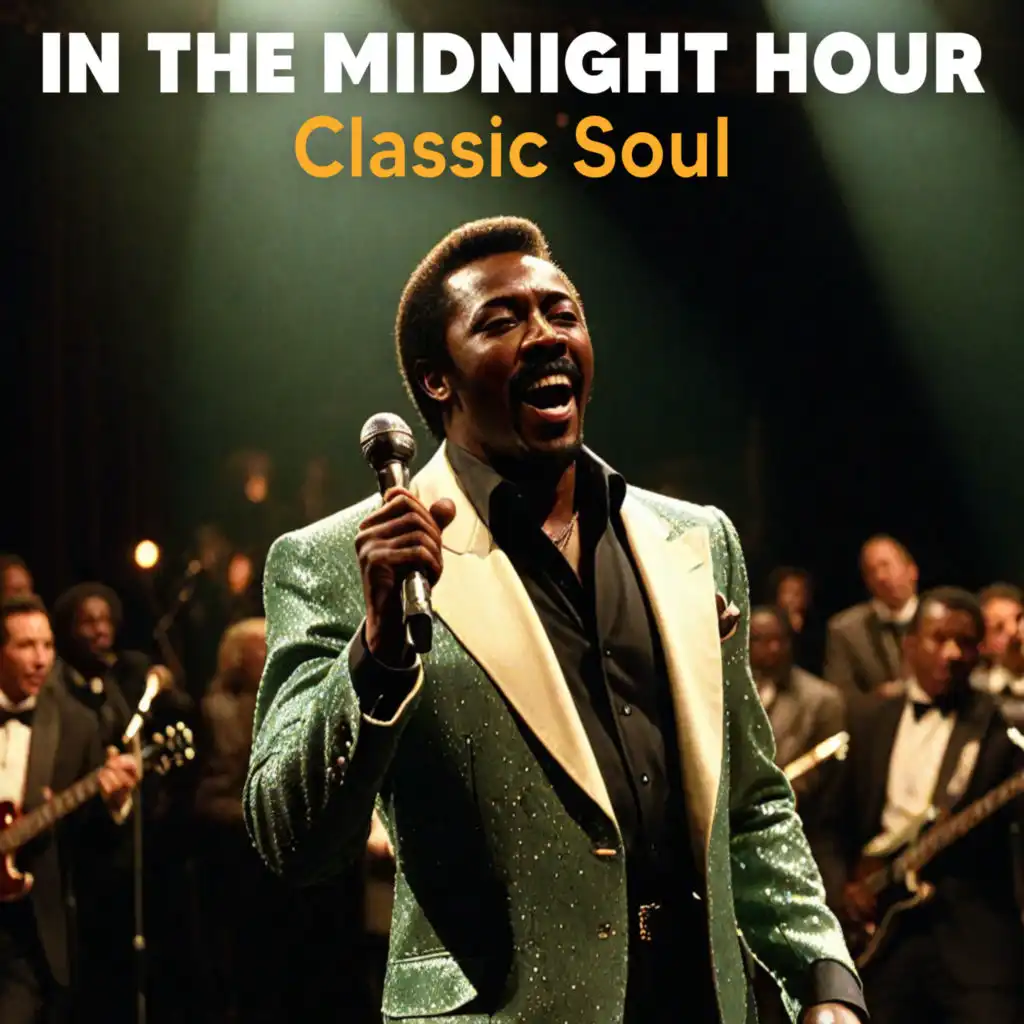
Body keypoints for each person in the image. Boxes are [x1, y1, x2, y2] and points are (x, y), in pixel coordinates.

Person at [244, 217, 865, 1023]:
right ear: (438, 380)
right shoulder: (339, 559)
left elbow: (749, 799)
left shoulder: (694, 540)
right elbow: (290, 839)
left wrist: (823, 978)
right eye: (501, 321)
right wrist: (378, 653)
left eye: (562, 312)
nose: (545, 335)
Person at [826, 587, 1024, 1023]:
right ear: (910, 644)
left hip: (972, 944)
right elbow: (830, 824)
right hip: (880, 939)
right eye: (940, 638)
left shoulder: (998, 727)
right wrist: (845, 890)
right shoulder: (869, 719)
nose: (952, 653)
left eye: (965, 642)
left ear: (979, 652)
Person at [0, 595, 139, 1024]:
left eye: (47, 645)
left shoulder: (76, 723)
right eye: (26, 646)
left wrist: (116, 804)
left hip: (25, 931)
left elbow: (95, 842)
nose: (41, 659)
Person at [749, 605, 846, 907]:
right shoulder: (728, 692)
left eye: (778, 640)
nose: (771, 649)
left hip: (803, 831)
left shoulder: (822, 699)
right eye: (759, 640)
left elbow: (823, 782)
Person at [824, 535, 919, 703]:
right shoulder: (845, 629)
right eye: (871, 571)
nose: (880, 577)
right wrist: (878, 698)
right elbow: (838, 701)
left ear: (912, 571)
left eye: (886, 566)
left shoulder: (943, 619)